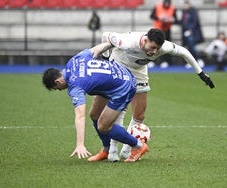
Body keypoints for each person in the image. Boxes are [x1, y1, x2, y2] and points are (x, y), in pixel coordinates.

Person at [88, 28, 215, 162]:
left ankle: (127, 150)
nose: (155, 51)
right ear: (145, 40)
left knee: (140, 114)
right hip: (119, 68)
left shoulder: (163, 46)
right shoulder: (127, 41)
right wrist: (106, 57)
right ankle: (112, 151)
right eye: (153, 47)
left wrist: (200, 73)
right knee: (120, 109)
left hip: (139, 71)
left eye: (157, 48)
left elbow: (184, 52)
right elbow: (106, 35)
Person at [42, 42, 148, 162]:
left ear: (57, 81)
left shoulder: (75, 86)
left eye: (57, 89)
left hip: (124, 87)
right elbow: (97, 49)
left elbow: (80, 116)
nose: (60, 90)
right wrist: (111, 42)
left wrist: (80, 144)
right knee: (94, 115)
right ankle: (106, 150)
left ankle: (138, 146)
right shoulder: (75, 60)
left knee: (103, 126)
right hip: (120, 74)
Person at [150, 0, 178, 67]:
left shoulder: (172, 8)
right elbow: (152, 16)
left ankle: (165, 61)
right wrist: (159, 18)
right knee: (154, 45)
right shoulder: (158, 7)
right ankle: (152, 61)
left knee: (166, 46)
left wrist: (171, 19)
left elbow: (176, 19)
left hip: (167, 30)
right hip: (157, 30)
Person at [180, 0, 204, 68]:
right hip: (185, 32)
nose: (185, 6)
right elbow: (182, 22)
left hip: (191, 33)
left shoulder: (192, 11)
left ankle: (199, 60)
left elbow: (195, 21)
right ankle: (191, 62)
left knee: (193, 48)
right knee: (189, 48)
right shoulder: (184, 12)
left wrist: (191, 30)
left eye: (186, 5)